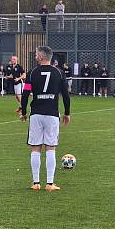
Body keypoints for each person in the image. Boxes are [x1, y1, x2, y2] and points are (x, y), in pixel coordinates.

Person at [20, 46, 70, 192]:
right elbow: (65, 95)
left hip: (36, 114)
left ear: (42, 57)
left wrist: (23, 112)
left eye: (36, 55)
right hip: (52, 115)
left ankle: (36, 183)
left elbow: (25, 94)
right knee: (50, 147)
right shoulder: (59, 73)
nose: (35, 56)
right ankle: (49, 184)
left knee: (35, 148)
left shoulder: (32, 73)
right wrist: (67, 113)